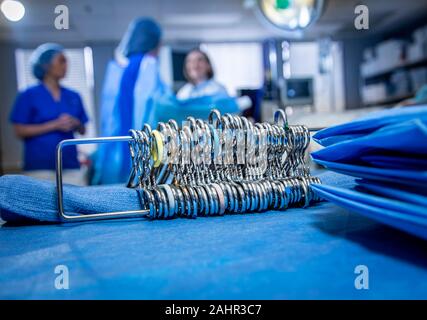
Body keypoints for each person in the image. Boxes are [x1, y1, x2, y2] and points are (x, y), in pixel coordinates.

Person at [92, 17, 167, 184]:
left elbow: (108, 119)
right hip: (141, 155)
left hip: (113, 155)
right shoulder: (148, 66)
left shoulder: (115, 68)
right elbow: (162, 107)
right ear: (154, 41)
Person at [9, 43, 88, 185]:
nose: (66, 65)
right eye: (61, 61)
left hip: (70, 166)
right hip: (39, 167)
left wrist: (76, 123)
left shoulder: (73, 96)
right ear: (46, 65)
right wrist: (54, 125)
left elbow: (83, 130)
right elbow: (19, 131)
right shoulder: (28, 95)